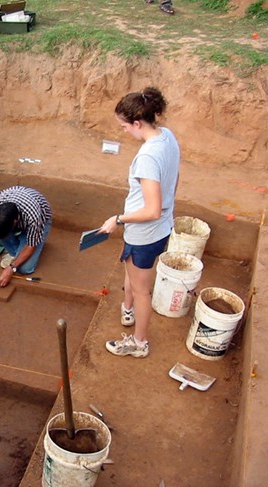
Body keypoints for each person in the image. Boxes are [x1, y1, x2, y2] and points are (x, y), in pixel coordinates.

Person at [99, 86, 180, 358]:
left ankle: (139, 343)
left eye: (124, 126)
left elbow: (152, 209)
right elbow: (173, 181)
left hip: (144, 233)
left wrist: (118, 219)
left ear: (137, 122)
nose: (123, 131)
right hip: (161, 228)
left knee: (142, 290)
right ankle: (127, 307)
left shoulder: (147, 156)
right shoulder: (167, 137)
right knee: (131, 270)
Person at [0, 186, 52, 288]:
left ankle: (33, 239)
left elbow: (31, 246)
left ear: (14, 223)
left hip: (42, 219)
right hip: (17, 214)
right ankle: (17, 250)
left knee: (24, 268)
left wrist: (11, 268)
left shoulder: (33, 217)